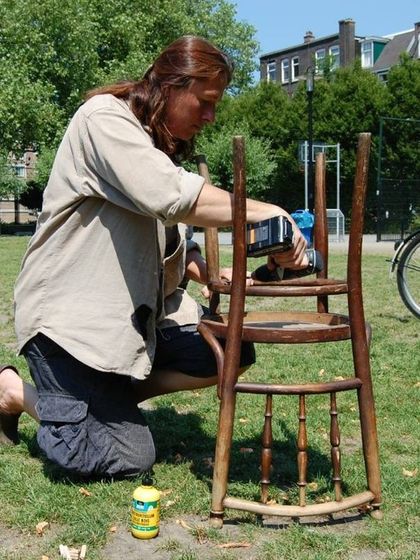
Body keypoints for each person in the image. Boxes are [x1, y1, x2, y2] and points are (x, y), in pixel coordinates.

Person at [0, 36, 307, 478]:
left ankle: (110, 400)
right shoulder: (102, 120)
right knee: (124, 457)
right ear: (172, 85)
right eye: (205, 101)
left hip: (131, 326)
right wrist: (267, 212)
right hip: (68, 329)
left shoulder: (155, 146)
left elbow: (172, 238)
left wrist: (211, 270)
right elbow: (168, 196)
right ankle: (14, 392)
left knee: (227, 348)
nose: (210, 116)